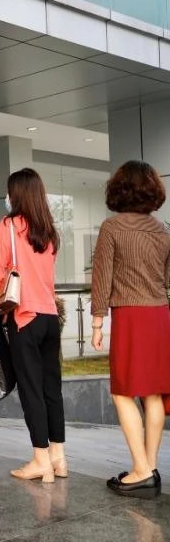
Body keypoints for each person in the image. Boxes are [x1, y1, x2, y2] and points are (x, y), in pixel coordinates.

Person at [90, 160, 170, 499]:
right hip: (160, 315)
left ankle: (141, 471)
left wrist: (97, 322)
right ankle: (147, 468)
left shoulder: (112, 227)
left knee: (123, 392)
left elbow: (101, 277)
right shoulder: (162, 230)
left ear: (119, 188)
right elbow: (166, 279)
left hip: (131, 316)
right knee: (153, 393)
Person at [0, 168, 64, 484]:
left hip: (25, 319)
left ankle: (40, 460)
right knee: (51, 390)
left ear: (16, 194)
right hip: (50, 318)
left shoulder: (9, 226)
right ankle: (58, 458)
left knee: (32, 391)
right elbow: (49, 279)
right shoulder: (49, 231)